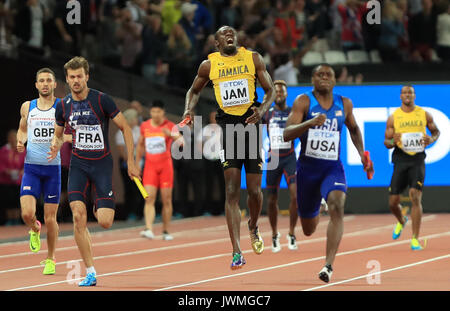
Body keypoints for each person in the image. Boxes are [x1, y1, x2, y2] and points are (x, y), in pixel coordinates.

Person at [183, 25, 276, 269]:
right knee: (232, 188)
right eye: (224, 35)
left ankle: (253, 226)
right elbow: (193, 91)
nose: (229, 36)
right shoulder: (209, 65)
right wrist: (187, 110)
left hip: (251, 125)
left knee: (255, 191)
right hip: (229, 129)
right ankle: (236, 250)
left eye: (232, 33)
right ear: (216, 43)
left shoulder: (252, 58)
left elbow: (271, 90)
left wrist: (262, 109)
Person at [48, 56, 140, 287]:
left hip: (101, 165)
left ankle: (99, 203)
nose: (76, 80)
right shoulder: (63, 105)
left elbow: (126, 128)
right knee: (78, 216)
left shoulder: (102, 100)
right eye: (72, 77)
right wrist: (55, 144)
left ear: (87, 76)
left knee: (106, 222)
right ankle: (90, 271)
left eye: (80, 76)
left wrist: (131, 161)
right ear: (67, 80)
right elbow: (59, 134)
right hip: (79, 165)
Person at [283, 63, 372, 283]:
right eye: (319, 74)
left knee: (338, 204)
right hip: (307, 171)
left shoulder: (345, 104)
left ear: (334, 80)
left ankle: (328, 265)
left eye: (328, 74)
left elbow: (354, 129)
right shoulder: (303, 102)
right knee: (308, 229)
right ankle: (318, 206)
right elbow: (286, 133)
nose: (323, 77)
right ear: (312, 79)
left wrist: (362, 154)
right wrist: (310, 122)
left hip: (332, 168)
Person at [16, 68, 62, 275]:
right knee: (26, 213)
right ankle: (34, 228)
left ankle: (51, 259)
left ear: (54, 84)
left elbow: (70, 133)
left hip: (53, 169)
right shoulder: (28, 106)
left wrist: (59, 142)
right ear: (36, 85)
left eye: (48, 81)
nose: (45, 84)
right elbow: (23, 129)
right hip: (32, 168)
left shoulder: (61, 106)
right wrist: (20, 141)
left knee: (51, 218)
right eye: (41, 81)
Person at [383, 85, 439, 250]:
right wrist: (393, 141)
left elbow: (436, 131)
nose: (408, 95)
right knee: (393, 202)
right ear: (401, 96)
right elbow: (386, 143)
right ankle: (401, 220)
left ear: (414, 96)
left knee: (415, 196)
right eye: (405, 93)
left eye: (411, 93)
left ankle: (415, 239)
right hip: (400, 159)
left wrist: (431, 139)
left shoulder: (424, 114)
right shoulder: (394, 117)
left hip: (417, 159)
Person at [136, 100, 182, 240]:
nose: (155, 114)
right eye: (153, 112)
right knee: (149, 198)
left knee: (166, 200)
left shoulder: (170, 126)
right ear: (150, 112)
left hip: (165, 167)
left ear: (163, 112)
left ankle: (166, 230)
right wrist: (137, 163)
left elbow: (182, 143)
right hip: (150, 166)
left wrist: (171, 135)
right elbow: (140, 145)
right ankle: (149, 228)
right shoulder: (144, 126)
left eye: (158, 112)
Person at [261, 80, 299, 253]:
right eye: (276, 92)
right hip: (273, 158)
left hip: (290, 157)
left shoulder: (293, 112)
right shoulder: (267, 114)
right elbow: (253, 130)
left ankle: (291, 233)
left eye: (282, 92)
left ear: (286, 94)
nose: (279, 94)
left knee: (295, 196)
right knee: (271, 199)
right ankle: (275, 234)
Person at [115, 108, 143, 221]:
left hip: (139, 162)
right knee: (129, 189)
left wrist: (138, 162)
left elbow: (143, 146)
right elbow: (122, 152)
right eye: (135, 117)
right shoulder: (120, 132)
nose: (137, 119)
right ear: (130, 119)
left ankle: (141, 212)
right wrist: (131, 163)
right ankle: (131, 213)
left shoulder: (139, 130)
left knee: (140, 189)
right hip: (126, 163)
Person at [0, 129, 26, 225]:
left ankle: (17, 220)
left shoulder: (21, 149)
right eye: (11, 137)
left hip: (19, 180)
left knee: (18, 201)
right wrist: (8, 172)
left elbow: (26, 162)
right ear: (8, 139)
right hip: (6, 181)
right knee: (8, 201)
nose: (13, 139)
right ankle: (10, 220)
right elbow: (1, 165)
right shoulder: (3, 151)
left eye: (15, 137)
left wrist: (22, 171)